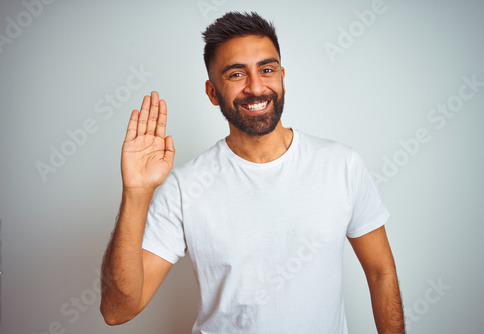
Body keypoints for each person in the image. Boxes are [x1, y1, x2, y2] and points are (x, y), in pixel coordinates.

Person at [100, 11, 405, 334]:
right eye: (236, 75)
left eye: (267, 69)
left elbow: (380, 272)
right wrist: (136, 194)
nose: (256, 87)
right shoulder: (184, 187)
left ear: (282, 76)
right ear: (212, 91)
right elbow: (118, 311)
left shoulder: (342, 165)